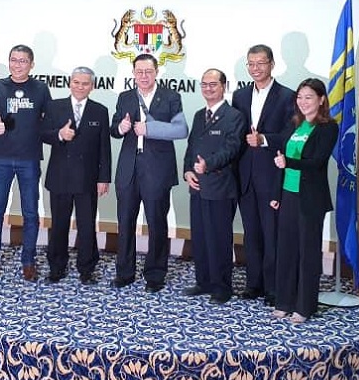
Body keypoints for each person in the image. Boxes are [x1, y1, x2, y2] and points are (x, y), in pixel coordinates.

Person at [110, 53, 188, 293]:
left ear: (156, 72)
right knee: (125, 222)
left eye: (148, 71)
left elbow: (181, 130)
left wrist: (150, 129)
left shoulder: (171, 97)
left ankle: (155, 275)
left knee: (157, 222)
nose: (143, 76)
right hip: (128, 169)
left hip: (157, 169)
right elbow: (114, 129)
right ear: (133, 73)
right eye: (139, 72)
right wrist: (121, 128)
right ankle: (124, 272)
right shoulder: (125, 97)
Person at [231, 45, 295, 307]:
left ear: (272, 64)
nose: (255, 68)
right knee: (251, 233)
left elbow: (291, 136)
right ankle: (253, 284)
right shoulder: (239, 95)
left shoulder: (288, 96)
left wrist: (265, 139)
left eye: (261, 63)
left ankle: (273, 288)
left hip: (271, 175)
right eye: (251, 64)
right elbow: (235, 134)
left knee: (272, 234)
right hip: (245, 175)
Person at [271, 78, 339, 323]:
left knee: (307, 252)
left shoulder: (328, 128)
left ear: (321, 100)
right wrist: (276, 195)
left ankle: (304, 306)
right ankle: (284, 301)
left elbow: (317, 162)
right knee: (286, 250)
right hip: (288, 194)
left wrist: (289, 162)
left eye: (309, 97)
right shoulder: (294, 125)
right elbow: (279, 158)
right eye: (300, 97)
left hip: (310, 198)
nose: (303, 102)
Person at [0, 45, 51, 282]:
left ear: (31, 64)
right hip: (1, 159)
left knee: (30, 213)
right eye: (14, 60)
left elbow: (49, 118)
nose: (17, 65)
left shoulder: (40, 88)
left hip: (29, 159)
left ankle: (28, 261)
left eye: (23, 61)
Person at [40, 66, 112, 284]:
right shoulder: (54, 106)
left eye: (85, 83)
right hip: (60, 176)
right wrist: (59, 134)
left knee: (87, 226)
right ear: (70, 83)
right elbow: (41, 133)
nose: (80, 87)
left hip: (87, 179)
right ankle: (56, 268)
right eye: (76, 82)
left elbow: (104, 148)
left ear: (92, 86)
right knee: (59, 224)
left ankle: (87, 270)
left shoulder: (100, 111)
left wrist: (104, 178)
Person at [183, 69, 246, 304]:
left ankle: (222, 288)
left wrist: (207, 165)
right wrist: (188, 170)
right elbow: (191, 147)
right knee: (200, 236)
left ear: (224, 87)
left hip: (220, 185)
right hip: (197, 185)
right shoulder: (199, 115)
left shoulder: (234, 116)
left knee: (219, 238)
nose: (208, 89)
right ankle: (204, 281)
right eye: (204, 84)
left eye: (213, 84)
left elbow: (231, 148)